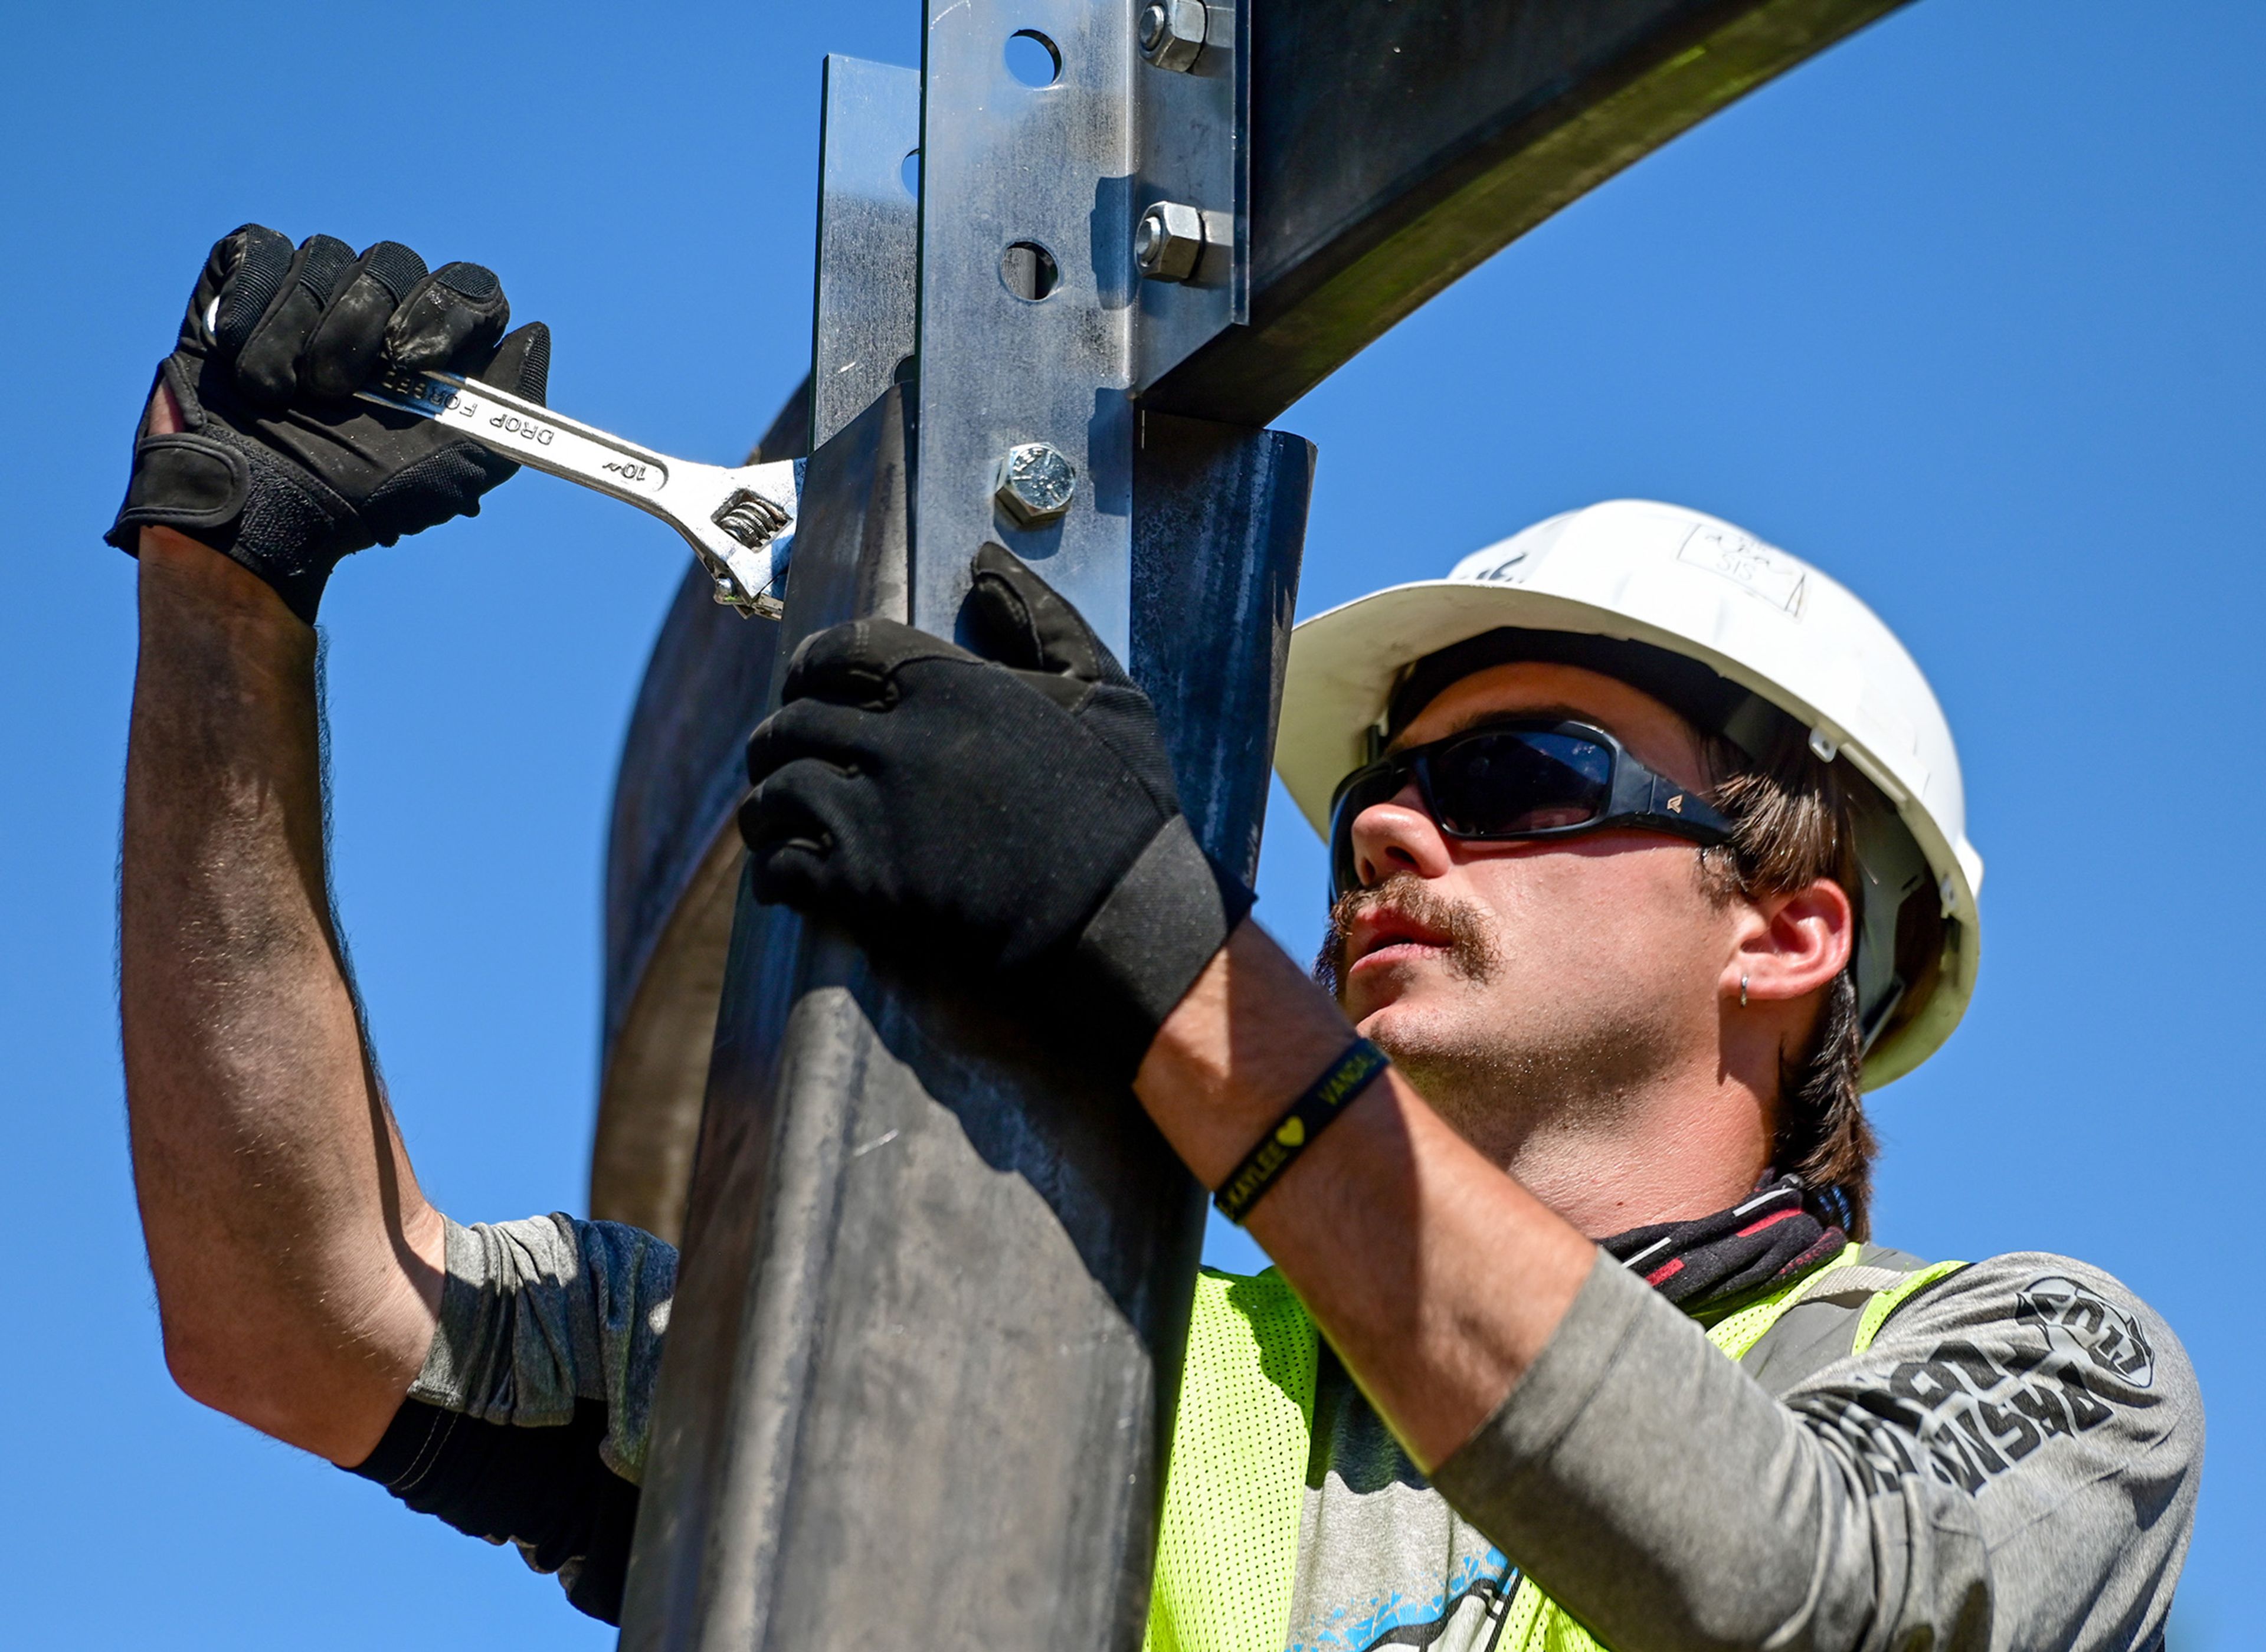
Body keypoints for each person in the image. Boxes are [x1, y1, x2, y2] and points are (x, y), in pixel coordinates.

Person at [117, 227, 2198, 1649]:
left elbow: (1804, 1592)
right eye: (1379, 786)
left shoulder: (2038, 1373)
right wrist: (230, 595)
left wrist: (1163, 961)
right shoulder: (1073, 1354)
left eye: (1529, 777)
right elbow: (302, 1317)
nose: (1389, 824)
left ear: (1792, 930)